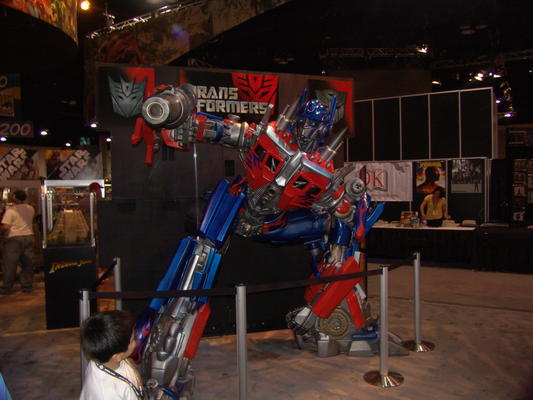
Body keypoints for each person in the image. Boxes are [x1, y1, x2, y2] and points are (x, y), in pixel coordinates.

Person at [80, 310, 143, 400]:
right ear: (117, 356)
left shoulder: (102, 356)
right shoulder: (107, 394)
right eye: (133, 340)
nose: (136, 342)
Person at [0, 190, 35, 294]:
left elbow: (6, 227)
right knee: (27, 263)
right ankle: (27, 286)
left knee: (10, 264)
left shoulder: (11, 211)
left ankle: (6, 287)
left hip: (14, 238)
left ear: (15, 197)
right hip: (29, 236)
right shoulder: (31, 208)